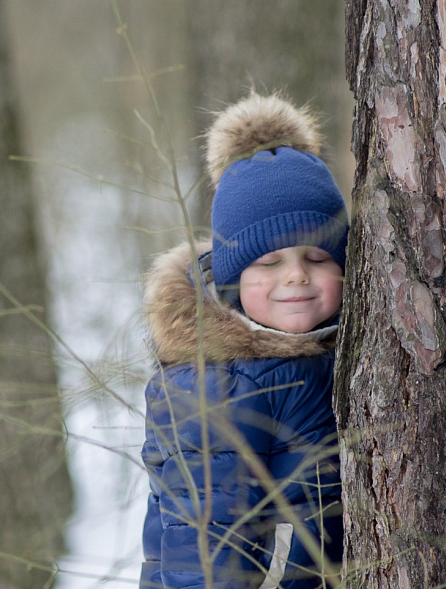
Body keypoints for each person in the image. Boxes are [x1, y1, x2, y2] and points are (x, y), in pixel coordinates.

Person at [139, 92, 348, 588]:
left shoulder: (325, 352)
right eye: (268, 263)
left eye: (317, 259)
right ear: (231, 284)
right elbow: (205, 559)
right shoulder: (218, 388)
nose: (296, 277)